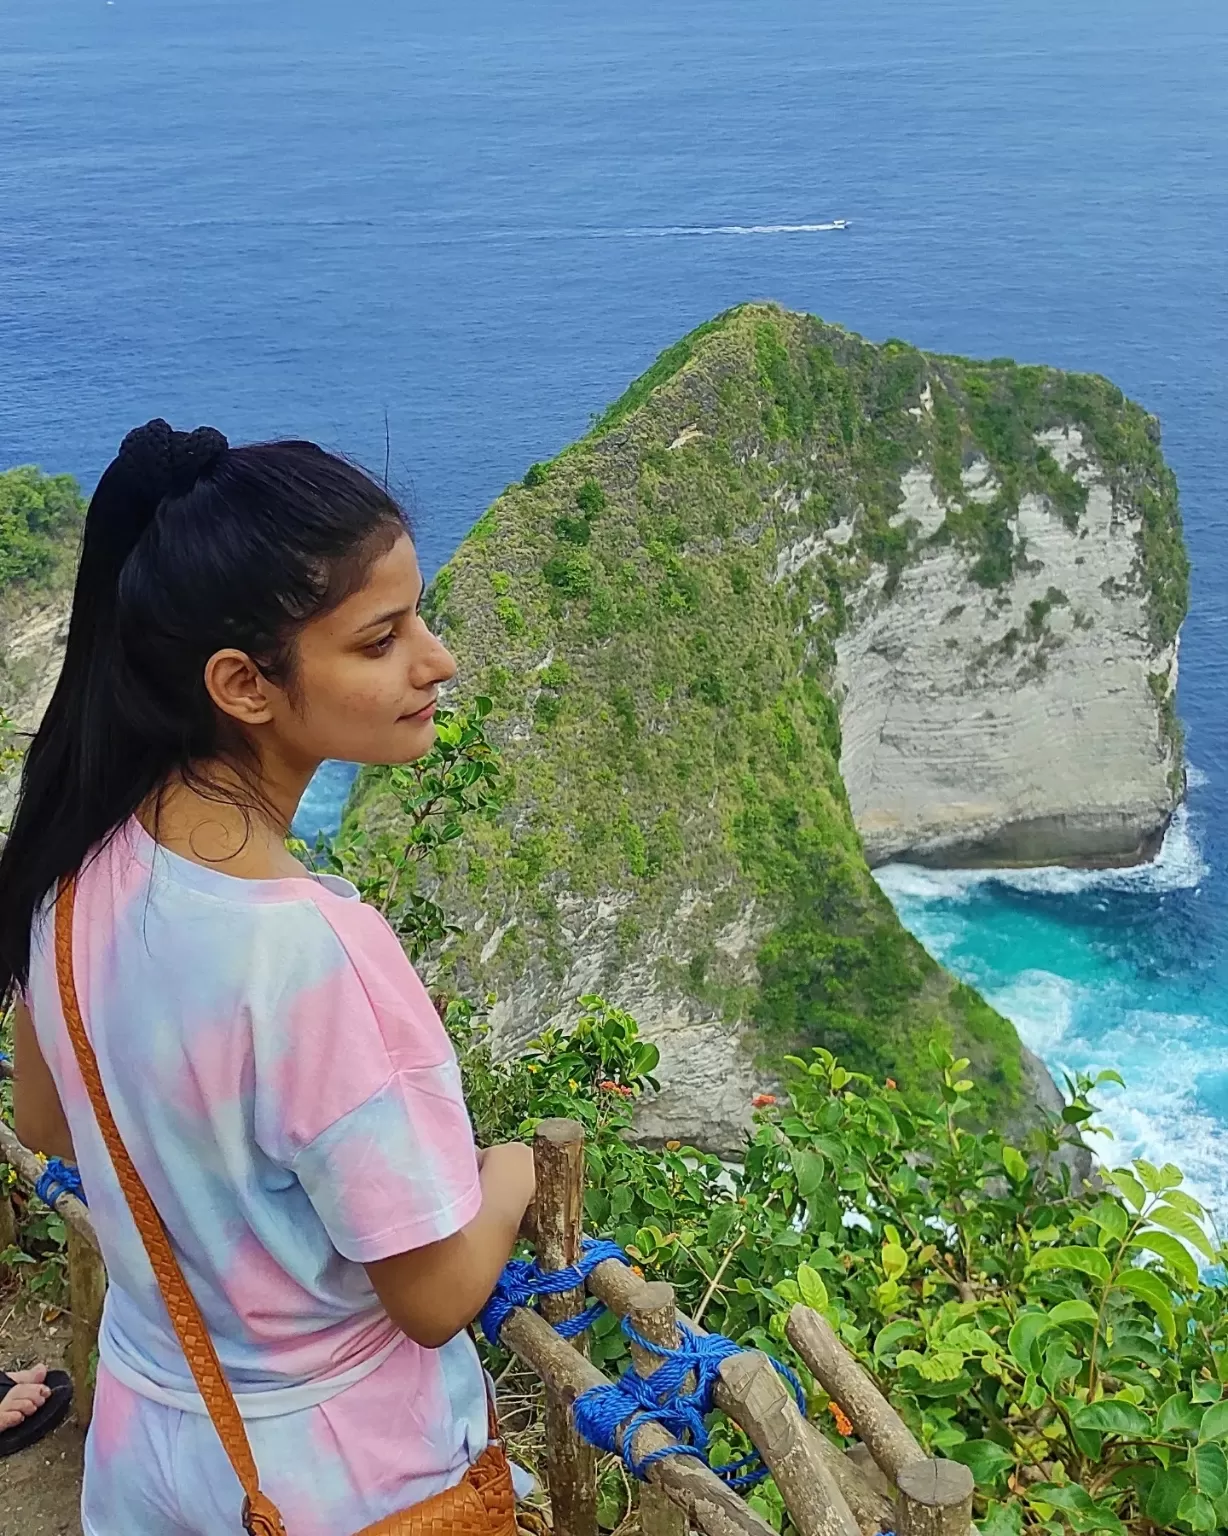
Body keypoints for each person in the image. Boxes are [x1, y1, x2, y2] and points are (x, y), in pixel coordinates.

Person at [0, 422, 537, 1534]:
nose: (435, 661)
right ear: (244, 684)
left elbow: (46, 1121)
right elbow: (433, 1296)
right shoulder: (311, 950)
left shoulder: (74, 869)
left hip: (150, 1442)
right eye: (382, 639)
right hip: (333, 1476)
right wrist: (516, 1173)